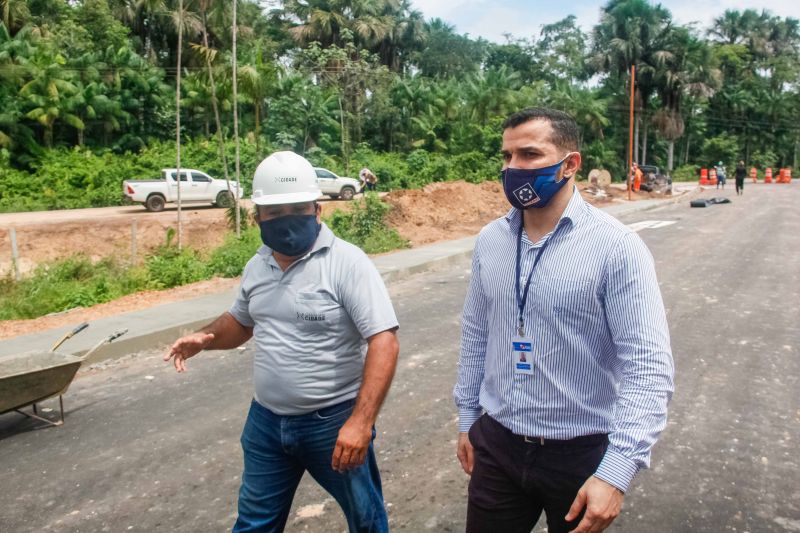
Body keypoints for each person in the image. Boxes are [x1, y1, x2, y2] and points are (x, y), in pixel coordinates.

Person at [454, 108, 674, 533]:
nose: (513, 168)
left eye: (529, 154)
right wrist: (468, 419)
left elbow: (648, 367)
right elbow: (477, 334)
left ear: (570, 164)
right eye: (507, 156)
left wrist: (616, 472)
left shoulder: (616, 248)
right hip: (498, 444)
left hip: (580, 453)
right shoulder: (490, 241)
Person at [164, 151, 400, 533]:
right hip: (266, 424)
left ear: (317, 209)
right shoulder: (258, 265)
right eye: (274, 212)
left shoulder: (347, 264)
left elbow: (383, 341)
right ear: (258, 216)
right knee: (254, 524)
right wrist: (204, 338)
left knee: (367, 521)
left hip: (333, 422)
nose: (285, 219)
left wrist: (361, 422)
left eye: (297, 208)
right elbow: (240, 321)